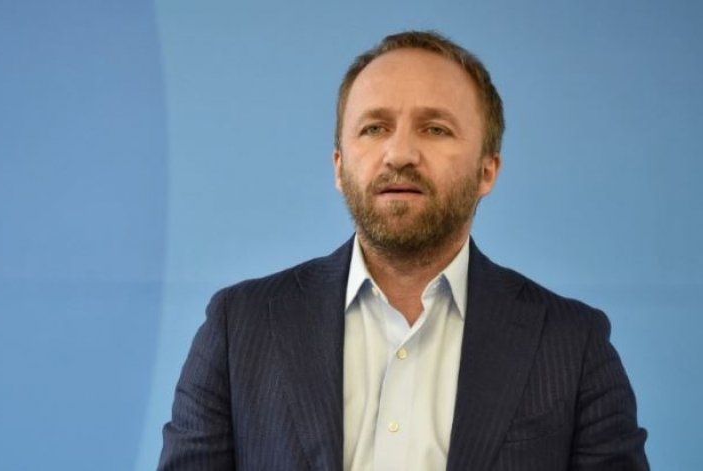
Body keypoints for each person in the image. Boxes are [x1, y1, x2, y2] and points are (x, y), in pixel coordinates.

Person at [158, 30, 649, 471]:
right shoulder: (239, 327)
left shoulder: (572, 344)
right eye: (374, 128)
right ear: (339, 166)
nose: (399, 154)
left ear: (487, 170)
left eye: (435, 129)